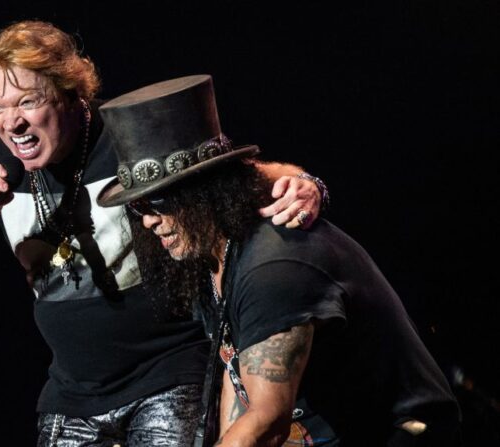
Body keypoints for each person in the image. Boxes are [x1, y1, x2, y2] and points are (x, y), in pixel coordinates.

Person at [0, 21, 326, 446]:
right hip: (72, 394)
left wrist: (306, 184)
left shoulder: (126, 136)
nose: (12, 123)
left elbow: (238, 178)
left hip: (168, 375)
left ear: (70, 93)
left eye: (28, 102)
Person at [96, 74, 462, 446]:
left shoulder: (273, 267)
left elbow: (267, 422)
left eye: (158, 202)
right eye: (139, 205)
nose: (148, 220)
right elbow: (238, 382)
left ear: (205, 192)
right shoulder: (211, 255)